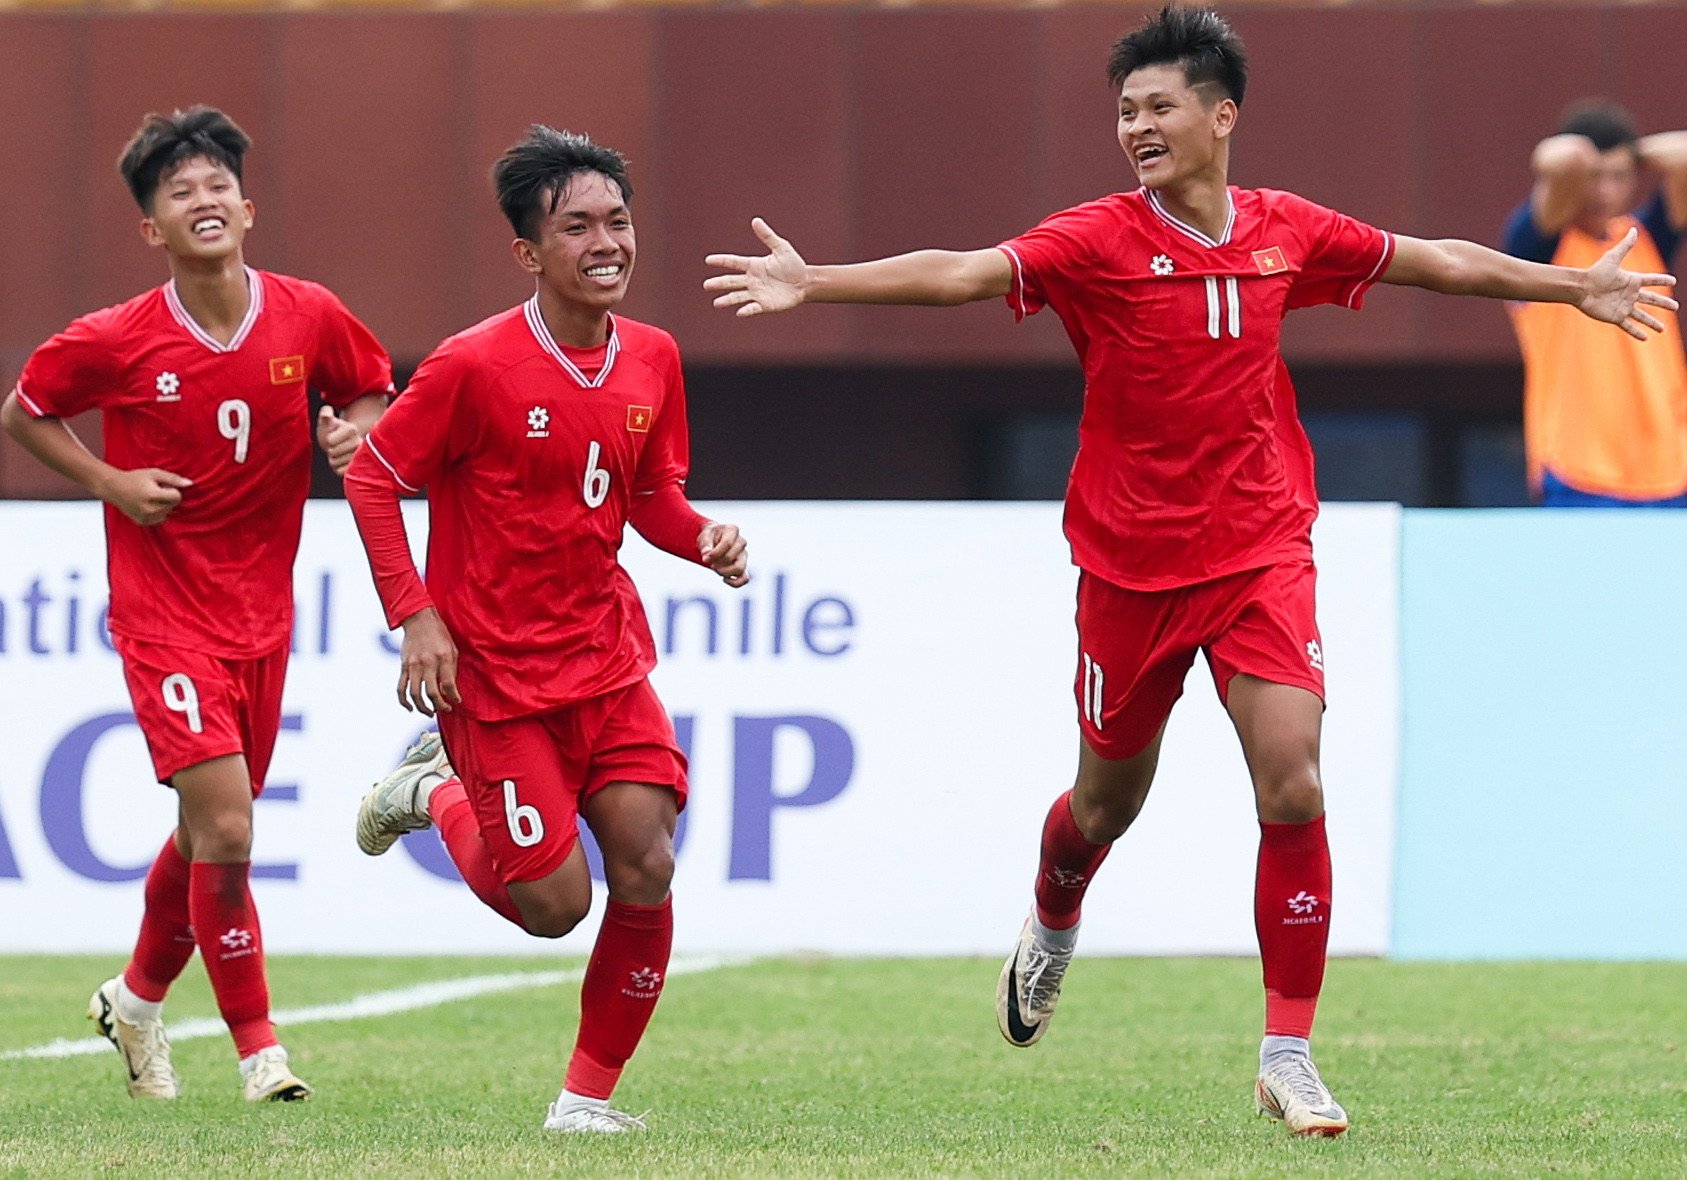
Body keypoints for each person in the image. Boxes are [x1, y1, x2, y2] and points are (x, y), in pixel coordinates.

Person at [703, 5, 1676, 1137]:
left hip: (1262, 547)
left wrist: (1574, 289)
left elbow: (1436, 262)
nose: (1137, 126)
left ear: (1222, 116)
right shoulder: (1094, 239)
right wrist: (812, 281)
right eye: (1124, 110)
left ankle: (1288, 1050)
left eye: (1159, 105)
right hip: (1130, 567)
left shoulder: (1285, 228)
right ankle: (1055, 911)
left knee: (1293, 779)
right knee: (1106, 802)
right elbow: (965, 272)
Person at [343, 125, 748, 1134]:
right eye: (577, 226)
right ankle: (428, 788)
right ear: (529, 251)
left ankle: (584, 1102)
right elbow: (372, 476)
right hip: (494, 676)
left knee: (647, 859)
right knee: (554, 907)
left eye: (618, 219)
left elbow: (651, 496)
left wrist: (703, 539)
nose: (607, 241)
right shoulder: (472, 366)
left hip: (606, 659)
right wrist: (416, 618)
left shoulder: (652, 356)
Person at [0, 107, 394, 1101]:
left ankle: (133, 1003)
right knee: (225, 828)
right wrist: (109, 481)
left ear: (248, 208)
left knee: (208, 828)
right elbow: (24, 410)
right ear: (154, 231)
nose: (204, 200)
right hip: (162, 612)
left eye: (218, 185)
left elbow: (371, 388)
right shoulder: (115, 338)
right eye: (181, 193)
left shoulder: (308, 314)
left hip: (263, 614)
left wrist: (354, 434)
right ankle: (261, 1051)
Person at [1502, 100, 1687, 505]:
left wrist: (1634, 152)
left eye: (1619, 176)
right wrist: (1579, 161)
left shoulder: (1647, 235)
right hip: (1579, 472)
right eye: (1593, 177)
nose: (1605, 191)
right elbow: (1553, 161)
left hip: (1669, 471)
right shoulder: (1540, 243)